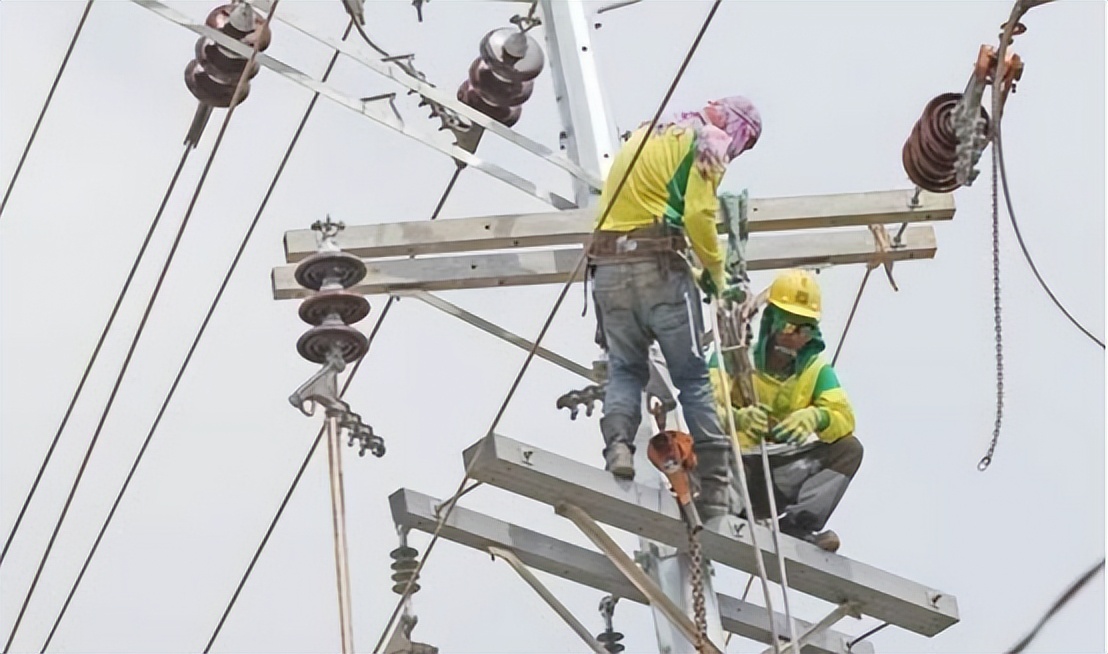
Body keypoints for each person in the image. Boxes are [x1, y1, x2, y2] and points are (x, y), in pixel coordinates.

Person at [586, 96, 762, 520]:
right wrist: (716, 275)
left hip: (608, 270)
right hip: (659, 264)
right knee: (692, 379)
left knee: (626, 369)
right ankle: (717, 489)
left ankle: (618, 448)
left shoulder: (650, 131)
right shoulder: (709, 142)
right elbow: (698, 214)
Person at [710, 269, 862, 551]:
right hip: (733, 467)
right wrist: (737, 419)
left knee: (849, 449)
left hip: (775, 473)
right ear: (772, 322)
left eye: (805, 330)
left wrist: (818, 416)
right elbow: (703, 409)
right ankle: (728, 506)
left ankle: (798, 525)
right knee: (712, 445)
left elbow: (845, 418)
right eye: (790, 327)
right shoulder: (733, 357)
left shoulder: (815, 370)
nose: (796, 338)